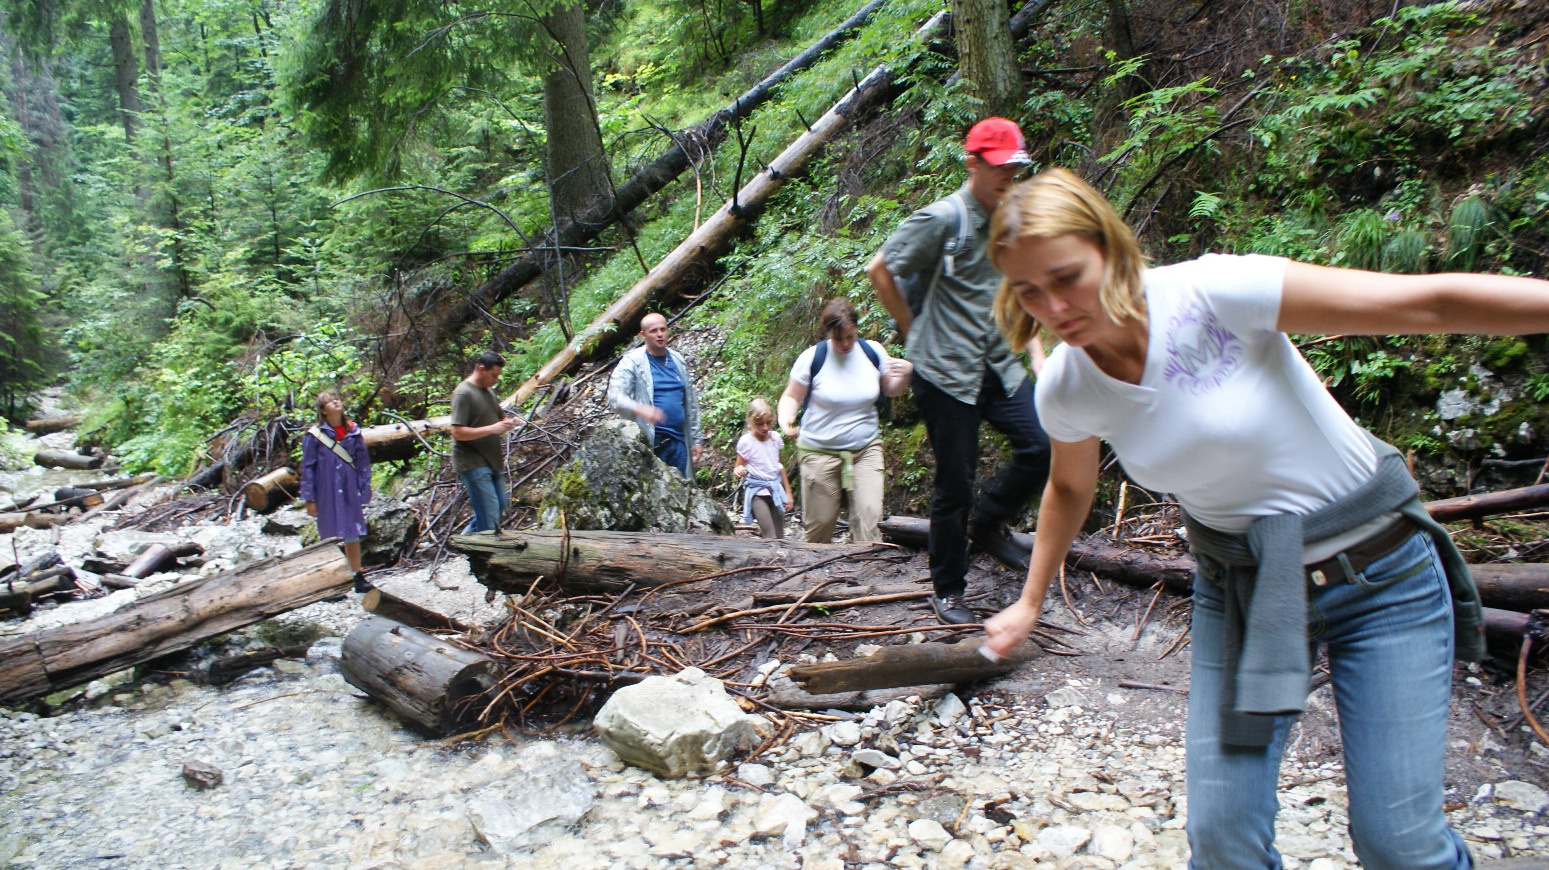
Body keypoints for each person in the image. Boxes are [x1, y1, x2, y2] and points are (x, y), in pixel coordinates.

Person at [976, 167, 1549, 869]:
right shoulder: (1066, 386)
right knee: (1222, 840)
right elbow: (1067, 488)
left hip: (1381, 574)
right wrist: (1030, 600)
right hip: (1242, 589)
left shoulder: (1213, 293)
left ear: (1110, 248)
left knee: (1400, 846)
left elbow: (1423, 302)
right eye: (1028, 292)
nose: (1053, 308)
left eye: (1065, 277)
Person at [866, 116, 1053, 625]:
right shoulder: (942, 218)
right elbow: (880, 270)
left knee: (1041, 446)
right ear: (973, 163)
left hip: (995, 360)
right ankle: (948, 589)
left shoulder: (1011, 216)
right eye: (999, 166)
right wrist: (913, 331)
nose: (1008, 176)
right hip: (945, 372)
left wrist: (1038, 356)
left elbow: (1018, 286)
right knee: (955, 484)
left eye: (1015, 166)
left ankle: (988, 524)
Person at [776, 298, 912, 543]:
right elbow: (791, 396)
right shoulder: (813, 358)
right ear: (828, 334)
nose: (846, 343)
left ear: (856, 329)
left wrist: (906, 375)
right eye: (839, 338)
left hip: (866, 449)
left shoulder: (872, 352)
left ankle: (865, 575)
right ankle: (813, 574)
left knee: (870, 520)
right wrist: (786, 418)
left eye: (850, 336)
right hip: (819, 451)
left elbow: (891, 390)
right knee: (820, 527)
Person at [607, 312, 705, 477]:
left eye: (663, 329)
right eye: (653, 331)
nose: (660, 334)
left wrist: (696, 439)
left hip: (679, 442)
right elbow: (615, 397)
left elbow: (691, 403)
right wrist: (640, 408)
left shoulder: (677, 360)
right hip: (649, 443)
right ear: (642, 334)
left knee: (681, 494)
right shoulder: (632, 362)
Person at [300, 389, 373, 594]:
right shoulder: (314, 436)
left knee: (353, 531)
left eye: (336, 399)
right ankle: (331, 583)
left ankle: (357, 575)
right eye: (330, 401)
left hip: (349, 487)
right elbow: (308, 468)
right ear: (323, 411)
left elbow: (362, 462)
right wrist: (309, 499)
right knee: (328, 534)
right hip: (326, 490)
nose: (335, 402)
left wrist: (364, 487)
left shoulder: (353, 431)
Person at [451, 350, 521, 533]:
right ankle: (481, 557)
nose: (496, 380)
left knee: (499, 506)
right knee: (489, 513)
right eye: (493, 375)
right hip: (472, 462)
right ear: (481, 369)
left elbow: (499, 418)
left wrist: (510, 423)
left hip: (492, 460)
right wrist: (492, 429)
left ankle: (465, 542)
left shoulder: (488, 391)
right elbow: (457, 432)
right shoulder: (463, 394)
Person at [732, 397, 795, 540]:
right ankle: (770, 560)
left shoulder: (775, 438)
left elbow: (779, 466)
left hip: (775, 490)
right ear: (750, 420)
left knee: (780, 536)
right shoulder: (746, 442)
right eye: (760, 424)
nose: (765, 427)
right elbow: (737, 467)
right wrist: (739, 471)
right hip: (757, 493)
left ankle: (780, 561)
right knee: (770, 536)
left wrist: (789, 494)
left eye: (768, 422)